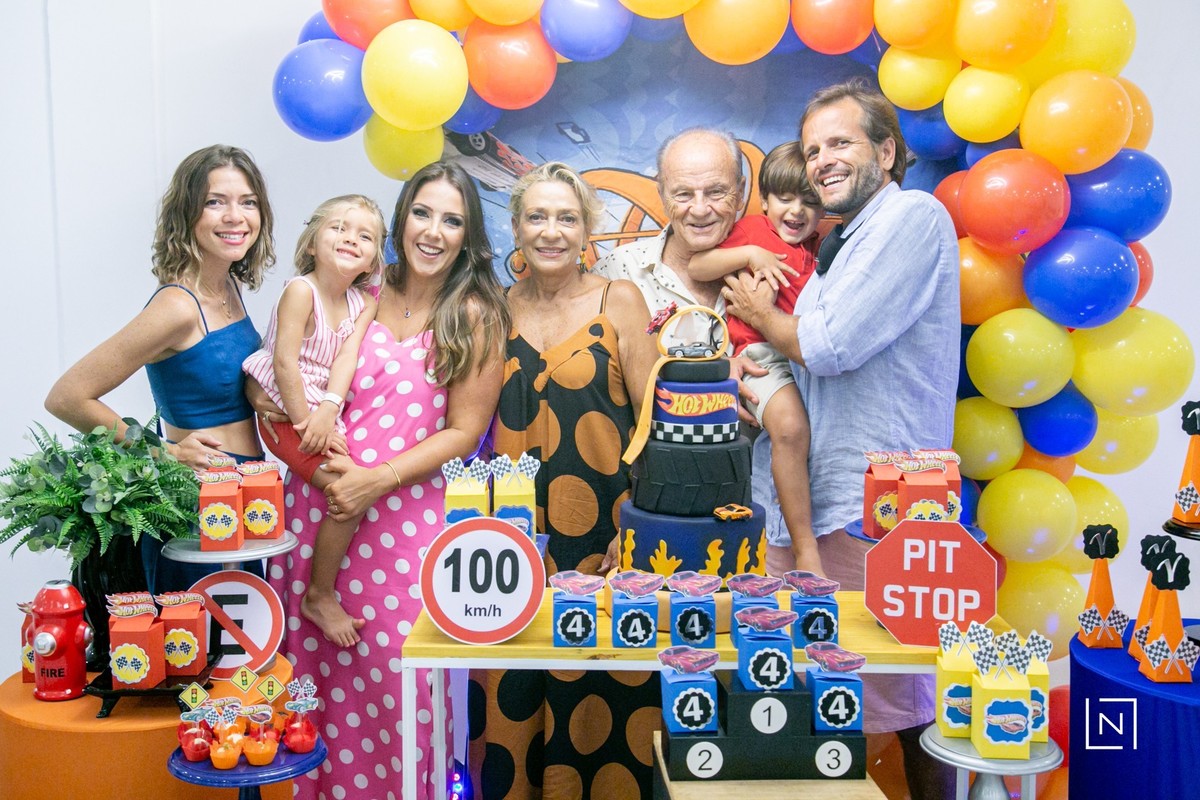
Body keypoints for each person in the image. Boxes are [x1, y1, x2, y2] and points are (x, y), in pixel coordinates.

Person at [722, 80, 959, 800]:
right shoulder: (835, 243)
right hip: (810, 500)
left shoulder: (912, 217)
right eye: (813, 148)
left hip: (877, 504)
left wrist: (759, 311)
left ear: (886, 152)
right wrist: (752, 371)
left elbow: (829, 347)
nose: (822, 159)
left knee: (903, 699)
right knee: (803, 688)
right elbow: (804, 354)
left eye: (840, 143)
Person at [265, 161, 509, 800]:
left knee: (401, 694)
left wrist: (378, 479)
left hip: (402, 527)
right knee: (307, 689)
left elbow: (465, 431)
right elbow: (295, 361)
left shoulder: (475, 312)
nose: (433, 231)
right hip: (316, 508)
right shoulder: (363, 285)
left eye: (452, 220)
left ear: (468, 235)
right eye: (422, 213)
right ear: (400, 218)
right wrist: (271, 402)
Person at [469, 162, 659, 800]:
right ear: (517, 227)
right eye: (538, 216)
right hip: (514, 546)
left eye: (567, 218)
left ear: (587, 231)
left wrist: (638, 528)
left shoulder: (618, 301)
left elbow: (655, 425)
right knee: (514, 702)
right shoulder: (493, 309)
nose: (551, 231)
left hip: (606, 539)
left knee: (606, 703)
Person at [45, 144, 276, 593]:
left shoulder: (227, 285)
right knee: (202, 632)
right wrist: (164, 452)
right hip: (198, 502)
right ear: (187, 214)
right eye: (215, 202)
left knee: (246, 630)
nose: (235, 216)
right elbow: (67, 396)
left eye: (247, 202)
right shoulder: (178, 306)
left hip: (244, 492)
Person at [242, 195, 385, 647]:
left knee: (350, 484)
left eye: (365, 236)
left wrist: (330, 409)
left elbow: (346, 357)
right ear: (311, 243)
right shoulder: (301, 291)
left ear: (373, 260)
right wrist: (306, 423)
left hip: (319, 406)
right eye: (338, 228)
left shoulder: (363, 303)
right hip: (285, 407)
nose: (350, 238)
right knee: (345, 490)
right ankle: (318, 595)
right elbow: (284, 361)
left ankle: (321, 590)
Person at [686, 141, 823, 576]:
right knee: (790, 429)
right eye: (785, 198)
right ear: (764, 200)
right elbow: (698, 267)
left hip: (804, 361)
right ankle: (805, 548)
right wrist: (749, 254)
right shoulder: (753, 231)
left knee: (809, 439)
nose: (796, 211)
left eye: (810, 201)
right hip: (761, 357)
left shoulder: (819, 250)